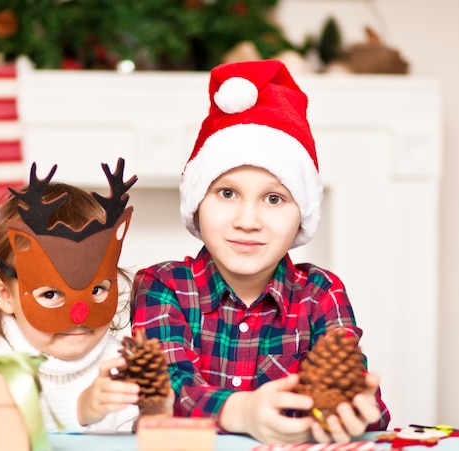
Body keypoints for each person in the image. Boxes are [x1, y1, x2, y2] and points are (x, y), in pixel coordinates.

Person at [130, 60, 390, 444]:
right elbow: (164, 392)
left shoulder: (322, 293)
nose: (248, 220)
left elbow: (360, 400)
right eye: (227, 193)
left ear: (301, 214)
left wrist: (354, 412)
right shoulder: (162, 286)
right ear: (197, 203)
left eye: (273, 198)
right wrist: (242, 411)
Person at [0, 158, 140, 432]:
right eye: (50, 294)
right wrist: (81, 414)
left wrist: (158, 410)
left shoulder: (121, 365)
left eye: (96, 290)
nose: (78, 315)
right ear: (5, 295)